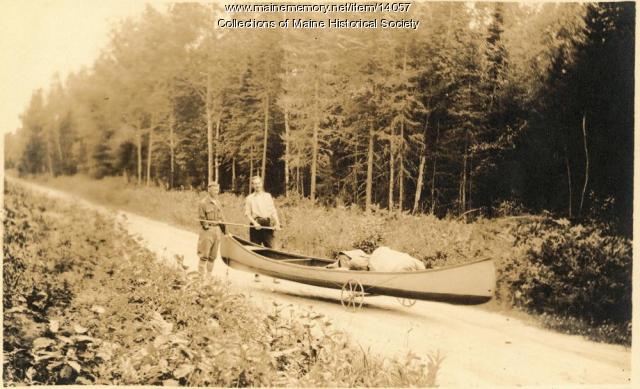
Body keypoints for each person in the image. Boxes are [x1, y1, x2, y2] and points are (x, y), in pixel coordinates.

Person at [244, 175, 281, 282]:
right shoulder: (249, 198)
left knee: (272, 249)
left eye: (258, 183)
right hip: (255, 225)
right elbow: (247, 214)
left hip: (267, 224)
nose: (257, 185)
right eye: (255, 184)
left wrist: (277, 223)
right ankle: (257, 274)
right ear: (252, 185)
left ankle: (275, 276)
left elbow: (273, 211)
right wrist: (255, 223)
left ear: (261, 184)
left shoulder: (267, 196)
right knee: (256, 250)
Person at [197, 182, 226, 278]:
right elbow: (202, 218)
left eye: (217, 190)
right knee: (204, 255)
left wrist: (225, 231)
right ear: (209, 190)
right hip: (207, 231)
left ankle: (208, 277)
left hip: (217, 231)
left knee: (213, 257)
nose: (216, 192)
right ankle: (201, 277)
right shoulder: (203, 203)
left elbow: (222, 217)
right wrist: (207, 225)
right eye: (214, 190)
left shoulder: (218, 203)